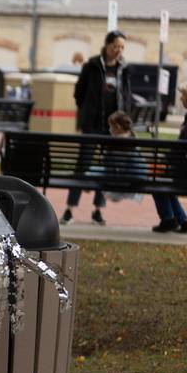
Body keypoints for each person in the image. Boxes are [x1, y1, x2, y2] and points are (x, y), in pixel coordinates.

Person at [61, 30, 132, 226]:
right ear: (107, 45)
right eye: (115, 46)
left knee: (106, 167)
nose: (118, 50)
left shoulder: (124, 68)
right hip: (92, 126)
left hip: (113, 129)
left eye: (122, 47)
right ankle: (70, 209)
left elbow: (126, 95)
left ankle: (97, 211)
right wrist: (86, 111)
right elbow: (79, 92)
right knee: (82, 166)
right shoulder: (92, 66)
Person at [151, 84, 187, 233]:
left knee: (157, 180)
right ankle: (181, 220)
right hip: (181, 166)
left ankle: (168, 219)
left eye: (184, 95)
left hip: (183, 170)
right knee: (163, 179)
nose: (181, 98)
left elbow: (180, 147)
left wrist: (166, 161)